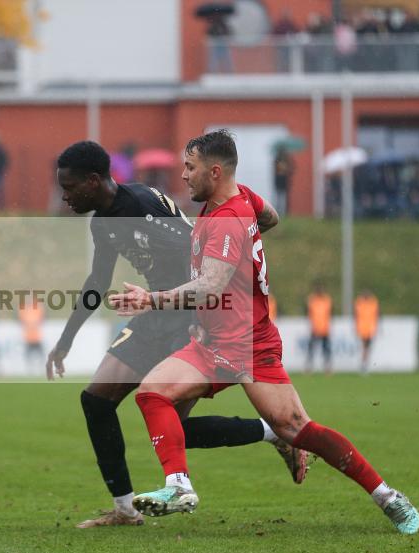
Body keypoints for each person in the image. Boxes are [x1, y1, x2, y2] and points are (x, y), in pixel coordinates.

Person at [110, 130, 419, 534]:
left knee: (300, 428)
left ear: (215, 171)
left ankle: (388, 497)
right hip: (210, 342)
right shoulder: (243, 199)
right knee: (154, 396)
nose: (183, 176)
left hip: (248, 345)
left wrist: (151, 299)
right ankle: (179, 485)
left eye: (190, 168)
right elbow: (270, 216)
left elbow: (209, 287)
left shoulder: (225, 222)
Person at [48, 141, 307, 529]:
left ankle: (273, 432)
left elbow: (195, 249)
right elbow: (97, 281)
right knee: (96, 400)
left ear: (93, 180)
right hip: (154, 315)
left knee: (176, 428)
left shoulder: (139, 206)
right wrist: (65, 340)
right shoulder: (103, 221)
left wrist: (202, 316)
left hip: (186, 314)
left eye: (69, 188)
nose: (65, 197)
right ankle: (124, 509)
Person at [305, 281, 332, 374]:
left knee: (326, 350)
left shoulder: (327, 300)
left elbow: (330, 314)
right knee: (311, 350)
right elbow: (309, 314)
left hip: (325, 329)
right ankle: (309, 368)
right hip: (315, 329)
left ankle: (327, 368)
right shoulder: (312, 300)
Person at [354, 290, 379, 374]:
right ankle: (363, 365)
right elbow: (356, 315)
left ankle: (364, 365)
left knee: (366, 348)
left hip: (370, 329)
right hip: (362, 329)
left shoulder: (373, 303)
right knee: (364, 348)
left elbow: (377, 315)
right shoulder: (359, 303)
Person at [18, 298, 45, 375]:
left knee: (40, 354)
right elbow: (21, 320)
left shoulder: (37, 309)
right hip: (28, 337)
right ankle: (29, 369)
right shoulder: (24, 310)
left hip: (37, 337)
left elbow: (42, 317)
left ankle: (42, 368)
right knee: (28, 355)